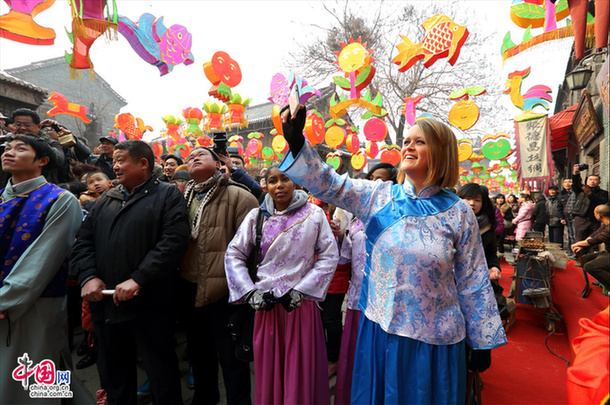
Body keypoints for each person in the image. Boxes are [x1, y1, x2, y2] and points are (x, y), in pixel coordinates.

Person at [278, 106, 506, 404]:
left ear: (441, 151)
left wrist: (482, 341)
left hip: (436, 342)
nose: (407, 146)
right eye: (406, 140)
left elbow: (473, 280)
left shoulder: (459, 212)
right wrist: (298, 145)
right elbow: (330, 184)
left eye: (419, 141)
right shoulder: (378, 196)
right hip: (381, 332)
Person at [71, 140, 190, 405]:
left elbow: (173, 242)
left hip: (149, 304)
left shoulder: (168, 196)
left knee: (161, 373)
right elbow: (84, 241)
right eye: (113, 161)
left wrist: (138, 278)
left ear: (143, 163)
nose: (114, 166)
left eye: (120, 160)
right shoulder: (105, 201)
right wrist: (88, 275)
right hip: (106, 304)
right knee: (114, 375)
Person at [225, 165, 339, 404]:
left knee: (302, 368)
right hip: (265, 307)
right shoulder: (256, 217)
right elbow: (234, 254)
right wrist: (249, 292)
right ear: (265, 185)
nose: (279, 185)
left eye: (285, 179)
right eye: (273, 180)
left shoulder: (314, 215)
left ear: (295, 182)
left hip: (300, 307)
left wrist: (301, 290)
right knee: (269, 370)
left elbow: (329, 256)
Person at [0, 135, 82, 405]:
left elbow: (44, 258)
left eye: (20, 149)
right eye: (7, 148)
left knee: (40, 373)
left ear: (43, 161)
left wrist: (6, 299)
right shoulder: (2, 197)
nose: (8, 153)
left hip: (36, 301)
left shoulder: (61, 200)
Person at [179, 146, 258, 405]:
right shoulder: (180, 197)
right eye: (190, 157)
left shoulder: (238, 195)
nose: (194, 157)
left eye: (202, 154)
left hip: (226, 291)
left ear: (217, 164)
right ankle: (205, 398)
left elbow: (253, 249)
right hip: (189, 287)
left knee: (231, 357)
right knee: (200, 354)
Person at [571, 166, 608, 255]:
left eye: (595, 180)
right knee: (580, 238)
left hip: (595, 219)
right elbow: (575, 184)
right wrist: (575, 173)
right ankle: (580, 257)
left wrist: (590, 194)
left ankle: (592, 257)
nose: (592, 181)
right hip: (581, 218)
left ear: (599, 182)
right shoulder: (581, 191)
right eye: (590, 179)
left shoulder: (603, 193)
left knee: (594, 240)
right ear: (586, 181)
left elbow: (602, 201)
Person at [571, 204, 609, 289]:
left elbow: (595, 240)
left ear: (599, 215)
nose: (594, 215)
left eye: (594, 213)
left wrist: (577, 244)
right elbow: (594, 235)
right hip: (607, 252)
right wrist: (581, 245)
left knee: (590, 266)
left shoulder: (608, 228)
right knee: (584, 260)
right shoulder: (605, 224)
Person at [558, 178, 576, 255]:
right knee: (570, 234)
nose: (567, 184)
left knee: (575, 235)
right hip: (567, 217)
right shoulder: (561, 194)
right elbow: (559, 207)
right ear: (563, 184)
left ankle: (574, 251)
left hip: (576, 217)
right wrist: (561, 217)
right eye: (565, 182)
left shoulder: (576, 193)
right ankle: (570, 250)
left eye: (570, 182)